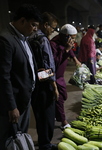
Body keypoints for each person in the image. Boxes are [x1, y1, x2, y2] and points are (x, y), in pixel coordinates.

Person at [0, 4, 41, 150]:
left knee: (21, 136)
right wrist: (12, 106)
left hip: (24, 99)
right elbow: (4, 76)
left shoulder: (23, 38)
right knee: (9, 140)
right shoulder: (6, 40)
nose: (35, 29)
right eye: (33, 25)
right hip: (14, 103)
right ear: (22, 21)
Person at [30, 12, 59, 150]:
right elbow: (48, 66)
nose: (52, 31)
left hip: (35, 81)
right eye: (52, 28)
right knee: (47, 115)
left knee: (39, 114)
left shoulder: (30, 37)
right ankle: (46, 144)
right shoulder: (43, 39)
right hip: (45, 82)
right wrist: (54, 86)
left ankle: (43, 142)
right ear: (45, 25)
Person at [50, 24, 81, 130]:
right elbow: (55, 63)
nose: (74, 40)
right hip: (55, 76)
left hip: (61, 75)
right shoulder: (53, 44)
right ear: (66, 36)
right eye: (72, 38)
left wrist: (75, 59)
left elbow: (71, 50)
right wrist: (66, 50)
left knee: (63, 95)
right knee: (59, 98)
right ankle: (63, 121)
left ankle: (55, 114)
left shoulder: (65, 42)